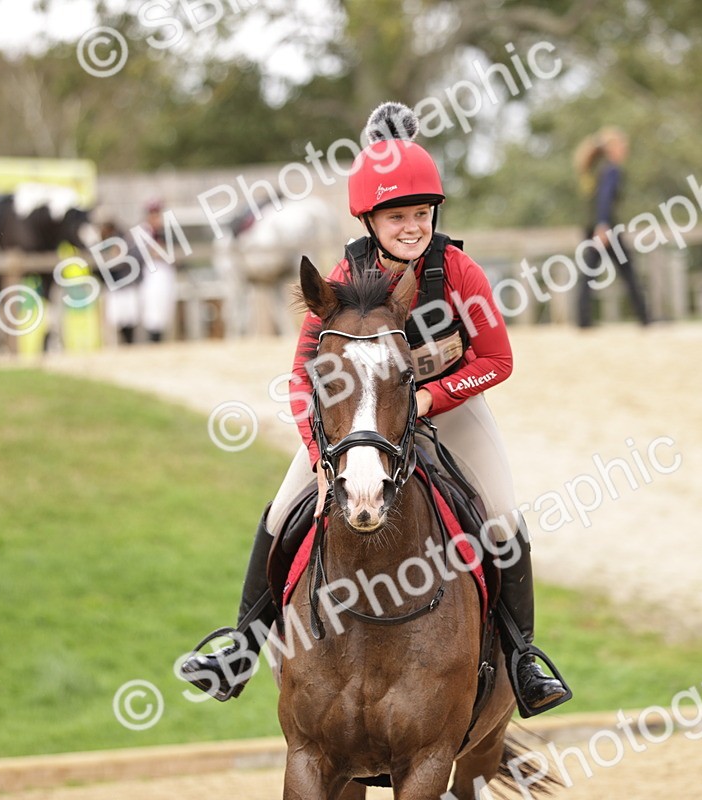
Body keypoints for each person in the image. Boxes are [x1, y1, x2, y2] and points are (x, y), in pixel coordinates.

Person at [179, 102, 572, 717]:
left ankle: (522, 658)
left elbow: (498, 360)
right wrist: (318, 455)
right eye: (398, 215)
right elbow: (301, 376)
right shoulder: (342, 276)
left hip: (449, 406)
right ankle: (241, 648)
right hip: (357, 424)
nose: (413, 226)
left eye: (422, 213)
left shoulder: (459, 271)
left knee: (500, 515)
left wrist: (426, 397)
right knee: (283, 512)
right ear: (370, 218)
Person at [573, 127, 649, 328]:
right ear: (612, 148)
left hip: (595, 227)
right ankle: (645, 317)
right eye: (622, 145)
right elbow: (604, 199)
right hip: (605, 229)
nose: (625, 149)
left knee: (590, 272)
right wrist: (603, 225)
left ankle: (583, 320)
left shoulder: (597, 170)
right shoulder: (611, 170)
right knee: (627, 271)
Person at [137, 199, 179, 342]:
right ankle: (153, 340)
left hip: (165, 273)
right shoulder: (143, 231)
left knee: (165, 308)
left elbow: (175, 253)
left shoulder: (167, 231)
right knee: (152, 308)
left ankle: (161, 339)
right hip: (150, 273)